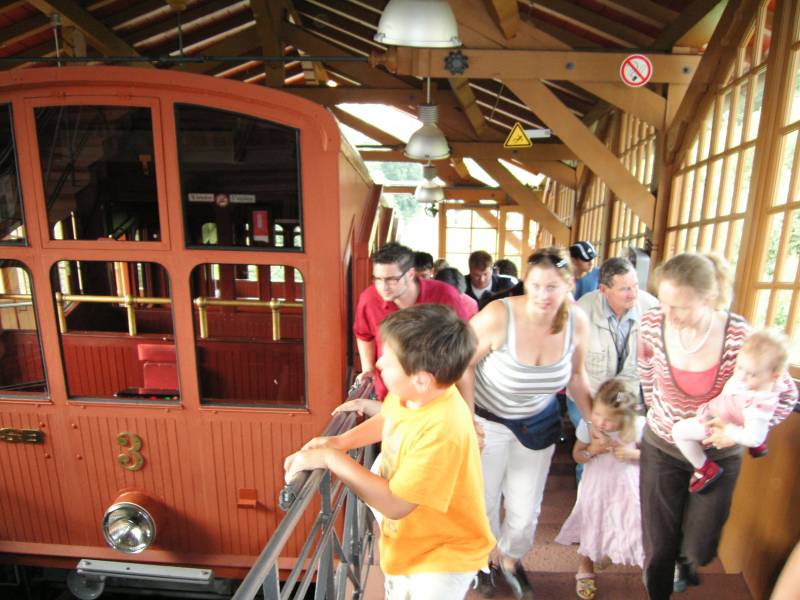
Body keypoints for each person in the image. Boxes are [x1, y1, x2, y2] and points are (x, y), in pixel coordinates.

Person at [285, 305, 495, 600]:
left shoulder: (443, 428)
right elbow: (389, 418)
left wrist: (333, 460)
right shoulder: (416, 394)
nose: (379, 363)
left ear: (421, 378)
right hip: (411, 540)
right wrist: (339, 442)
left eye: (389, 359)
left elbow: (396, 503)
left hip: (444, 553)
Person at [637, 253, 797, 599]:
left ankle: (687, 560)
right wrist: (658, 414)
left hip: (718, 452)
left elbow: (785, 395)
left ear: (708, 300)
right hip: (663, 445)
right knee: (658, 546)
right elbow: (646, 373)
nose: (668, 315)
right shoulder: (651, 324)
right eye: (663, 303)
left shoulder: (740, 335)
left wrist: (739, 432)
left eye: (679, 307)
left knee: (701, 548)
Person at [459, 247, 593, 600]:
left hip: (537, 424)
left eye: (552, 287)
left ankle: (510, 559)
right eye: (535, 285)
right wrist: (469, 417)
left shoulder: (577, 323)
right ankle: (482, 563)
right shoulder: (498, 316)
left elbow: (578, 379)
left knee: (524, 514)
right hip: (488, 420)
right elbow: (461, 365)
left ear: (569, 286)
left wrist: (598, 423)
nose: (542, 296)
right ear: (525, 283)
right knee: (484, 502)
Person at [567, 257, 658, 482]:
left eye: (635, 286)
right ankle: (587, 499)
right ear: (604, 289)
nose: (633, 294)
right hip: (589, 392)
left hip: (629, 395)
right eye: (625, 288)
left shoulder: (652, 308)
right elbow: (572, 367)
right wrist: (592, 416)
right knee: (593, 443)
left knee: (625, 449)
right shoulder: (582, 310)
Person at [555, 378, 645, 600]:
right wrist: (592, 450)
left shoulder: (639, 427)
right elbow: (578, 456)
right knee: (593, 520)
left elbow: (654, 456)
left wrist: (633, 454)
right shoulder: (589, 429)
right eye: (598, 415)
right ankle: (586, 565)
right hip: (597, 486)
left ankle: (638, 560)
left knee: (631, 520)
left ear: (625, 418)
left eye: (609, 420)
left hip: (627, 487)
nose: (601, 423)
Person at [672, 328, 790, 493]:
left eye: (752, 374)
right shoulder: (760, 382)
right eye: (739, 367)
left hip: (719, 422)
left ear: (774, 376)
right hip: (727, 410)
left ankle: (705, 468)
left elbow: (753, 437)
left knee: (679, 432)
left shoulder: (757, 408)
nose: (741, 377)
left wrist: (728, 430)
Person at [353, 243, 473, 400]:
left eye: (391, 279)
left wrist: (468, 411)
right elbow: (364, 334)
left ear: (410, 274)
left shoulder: (445, 295)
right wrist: (368, 369)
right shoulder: (368, 299)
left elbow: (463, 353)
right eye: (378, 279)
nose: (383, 287)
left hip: (438, 396)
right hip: (390, 395)